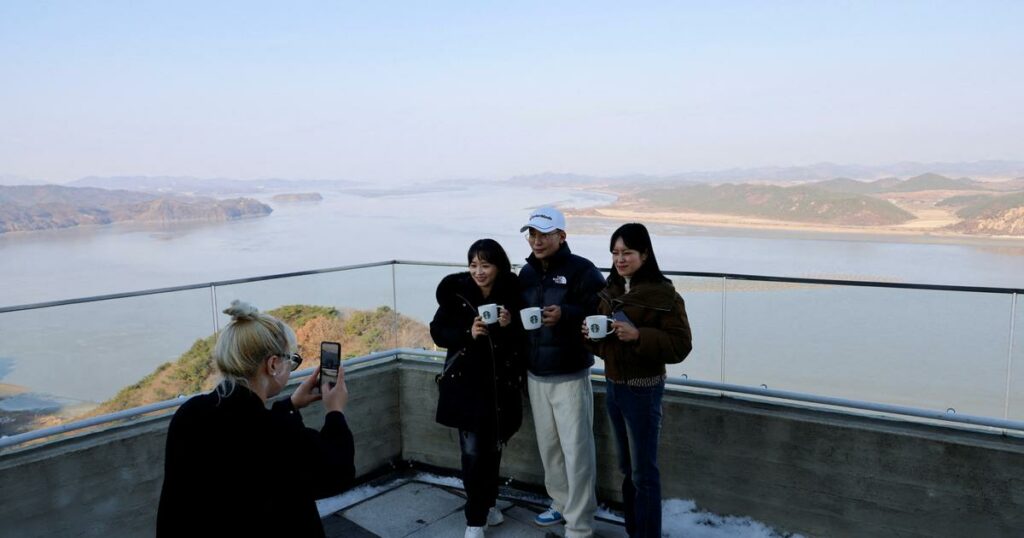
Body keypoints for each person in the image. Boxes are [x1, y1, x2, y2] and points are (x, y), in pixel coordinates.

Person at [157, 300, 355, 538]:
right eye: (291, 360)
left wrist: (290, 405)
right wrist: (335, 411)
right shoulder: (277, 435)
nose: (291, 367)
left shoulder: (190, 413)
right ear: (273, 364)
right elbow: (339, 471)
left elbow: (250, 429)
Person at [583, 223, 692, 538]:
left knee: (644, 473)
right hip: (615, 386)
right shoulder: (611, 290)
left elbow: (680, 345)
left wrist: (638, 335)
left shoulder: (665, 295)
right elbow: (604, 347)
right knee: (627, 470)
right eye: (615, 253)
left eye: (627, 252)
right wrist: (590, 338)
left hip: (643, 390)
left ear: (645, 254)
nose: (620, 259)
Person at [518, 207, 606, 538]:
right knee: (550, 449)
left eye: (543, 234)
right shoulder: (525, 273)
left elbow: (602, 312)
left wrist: (566, 314)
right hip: (536, 373)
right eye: (532, 234)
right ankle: (560, 502)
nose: (536, 241)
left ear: (562, 236)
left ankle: (580, 523)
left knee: (577, 450)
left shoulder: (582, 270)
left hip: (570, 374)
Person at [431, 239, 526, 538]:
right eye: (473, 265)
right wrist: (466, 333)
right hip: (467, 388)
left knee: (493, 448)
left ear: (499, 266)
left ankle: (489, 505)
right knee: (472, 454)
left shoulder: (513, 295)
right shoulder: (457, 294)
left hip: (500, 387)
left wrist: (511, 324)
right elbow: (437, 332)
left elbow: (524, 340)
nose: (479, 272)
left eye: (485, 265)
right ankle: (475, 519)